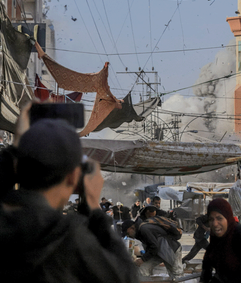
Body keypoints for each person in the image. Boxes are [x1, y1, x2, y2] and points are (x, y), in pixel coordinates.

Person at [0, 114, 138, 283]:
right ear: (74, 177)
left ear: (17, 168)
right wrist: (93, 207)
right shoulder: (67, 235)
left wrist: (15, 151)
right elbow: (125, 276)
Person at [200, 198, 241, 283]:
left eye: (219, 218)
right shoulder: (216, 238)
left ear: (228, 218)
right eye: (211, 219)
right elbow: (208, 261)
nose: (215, 224)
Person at [136, 208, 184, 279]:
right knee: (143, 269)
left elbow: (154, 246)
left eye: (153, 211)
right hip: (158, 252)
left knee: (177, 275)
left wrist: (143, 259)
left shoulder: (152, 223)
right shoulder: (147, 224)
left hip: (171, 250)